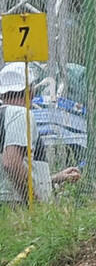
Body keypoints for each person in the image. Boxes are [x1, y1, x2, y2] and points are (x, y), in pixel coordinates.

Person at [0, 62, 80, 205]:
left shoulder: (5, 115)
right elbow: (11, 163)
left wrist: (53, 179)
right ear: (31, 91)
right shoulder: (20, 114)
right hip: (16, 206)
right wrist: (35, 202)